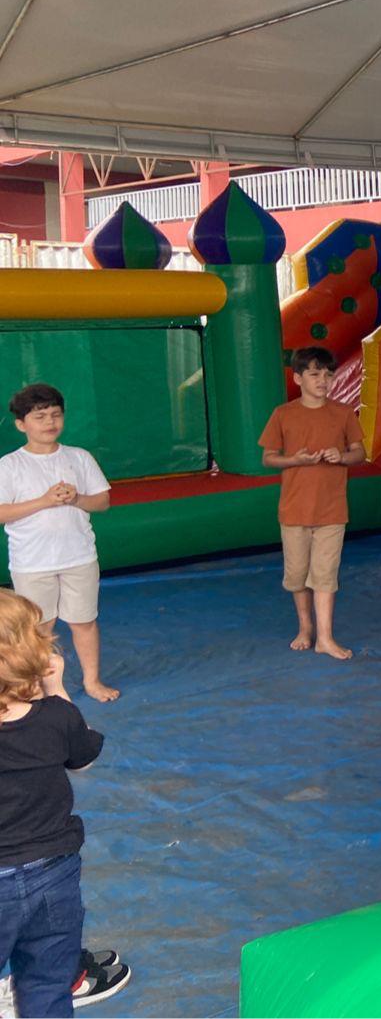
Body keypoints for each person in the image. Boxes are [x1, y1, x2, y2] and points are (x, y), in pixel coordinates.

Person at [0, 589, 114, 1018]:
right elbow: (82, 757)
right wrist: (56, 688)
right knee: (47, 984)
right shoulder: (53, 716)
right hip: (54, 873)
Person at [0, 385, 116, 703]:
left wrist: (76, 498)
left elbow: (103, 501)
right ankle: (39, 687)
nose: (50, 422)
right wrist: (44, 501)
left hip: (79, 556)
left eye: (55, 415)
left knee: (84, 621)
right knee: (39, 628)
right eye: (40, 417)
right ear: (21, 424)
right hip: (32, 562)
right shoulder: (9, 465)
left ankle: (92, 680)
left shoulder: (79, 457)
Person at [258, 346, 367, 660]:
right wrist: (296, 460)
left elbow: (359, 453)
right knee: (297, 575)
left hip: (332, 510)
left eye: (328, 374)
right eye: (315, 374)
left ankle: (326, 638)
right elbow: (268, 458)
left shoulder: (343, 413)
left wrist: (341, 456)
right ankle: (306, 628)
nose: (323, 380)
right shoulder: (283, 414)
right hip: (294, 511)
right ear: (298, 378)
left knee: (325, 575)